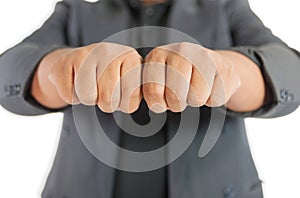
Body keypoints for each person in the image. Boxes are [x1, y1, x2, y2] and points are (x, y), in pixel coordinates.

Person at [0, 0, 299, 197]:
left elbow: (290, 71)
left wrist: (229, 69)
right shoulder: (78, 8)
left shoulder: (223, 5)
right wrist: (59, 67)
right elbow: (9, 70)